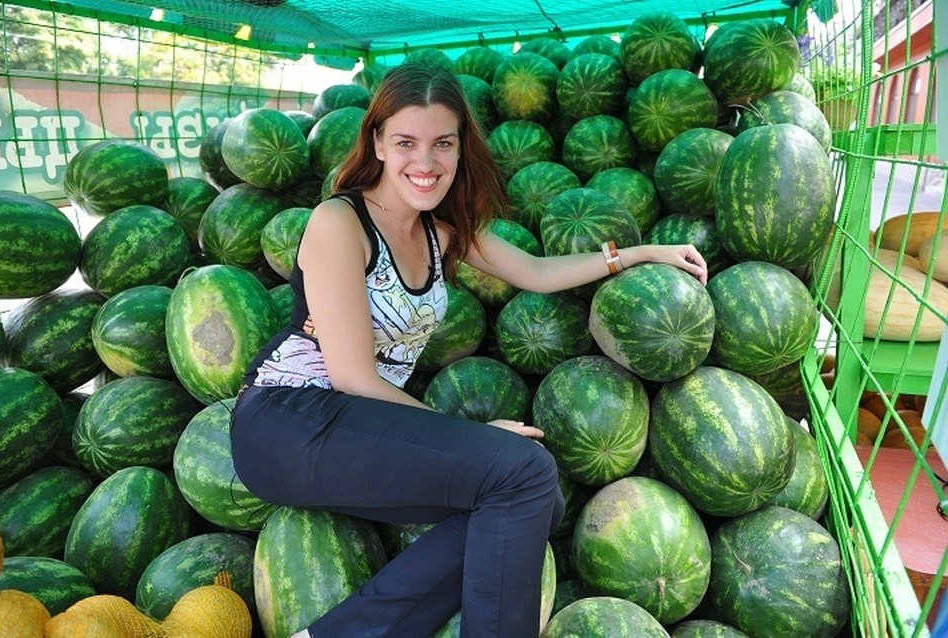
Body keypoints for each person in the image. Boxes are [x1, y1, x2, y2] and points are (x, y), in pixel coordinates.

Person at [230, 63, 707, 638]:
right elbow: (354, 377)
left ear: (461, 149)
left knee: (537, 503)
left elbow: (534, 270)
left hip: (354, 428)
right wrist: (476, 440)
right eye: (406, 142)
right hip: (288, 423)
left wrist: (634, 254)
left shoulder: (441, 232)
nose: (425, 163)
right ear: (377, 142)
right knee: (521, 475)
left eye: (443, 144)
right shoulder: (341, 221)